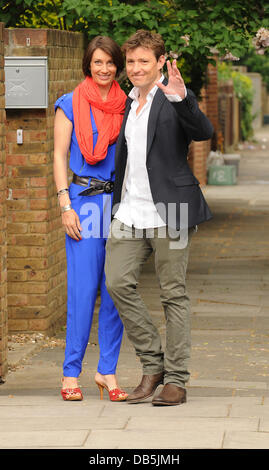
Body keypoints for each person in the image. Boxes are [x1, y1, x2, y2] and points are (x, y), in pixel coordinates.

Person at [105, 30, 213, 406]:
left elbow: (203, 131)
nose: (136, 68)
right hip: (130, 211)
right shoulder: (127, 103)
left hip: (173, 212)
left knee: (174, 294)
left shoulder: (174, 98)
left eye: (144, 62)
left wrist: (183, 99)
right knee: (117, 283)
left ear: (160, 62)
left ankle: (177, 380)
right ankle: (153, 364)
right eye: (131, 62)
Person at [53, 36, 128, 402]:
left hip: (119, 205)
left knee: (115, 291)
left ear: (118, 66)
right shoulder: (69, 104)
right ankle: (71, 373)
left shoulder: (128, 105)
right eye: (98, 62)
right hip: (83, 204)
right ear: (88, 64)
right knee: (83, 292)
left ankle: (107, 371)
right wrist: (64, 205)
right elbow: (58, 155)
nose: (104, 69)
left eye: (110, 63)